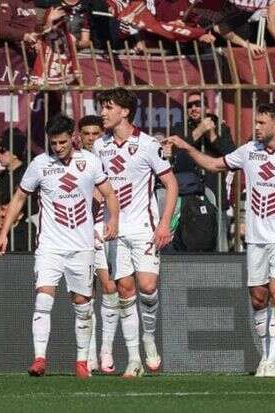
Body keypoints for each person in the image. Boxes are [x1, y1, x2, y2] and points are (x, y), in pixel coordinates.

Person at [166, 103, 275, 378]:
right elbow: (214, 164)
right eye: (256, 121)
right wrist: (187, 148)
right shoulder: (249, 151)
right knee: (258, 298)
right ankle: (264, 353)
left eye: (261, 122)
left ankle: (272, 361)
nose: (256, 126)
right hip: (257, 238)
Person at [0, 113, 119, 379]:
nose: (59, 147)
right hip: (50, 246)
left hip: (82, 246)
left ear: (72, 139)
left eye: (63, 142)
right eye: (54, 143)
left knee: (82, 304)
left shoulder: (90, 162)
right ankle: (39, 359)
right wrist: (3, 232)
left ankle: (82, 362)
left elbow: (109, 193)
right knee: (43, 298)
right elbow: (18, 198)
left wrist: (114, 220)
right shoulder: (40, 164)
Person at [93, 87, 179, 377]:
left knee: (147, 286)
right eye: (102, 107)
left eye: (108, 107)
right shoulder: (99, 146)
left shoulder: (147, 145)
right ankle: (133, 359)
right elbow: (96, 186)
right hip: (114, 228)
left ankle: (149, 337)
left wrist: (165, 224)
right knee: (124, 290)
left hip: (143, 226)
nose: (102, 112)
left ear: (125, 112)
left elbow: (172, 185)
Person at [78, 114, 120, 373]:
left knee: (109, 285)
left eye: (96, 134)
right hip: (79, 231)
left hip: (101, 226)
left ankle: (107, 350)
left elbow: (112, 192)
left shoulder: (107, 158)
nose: (92, 138)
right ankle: (89, 354)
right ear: (79, 136)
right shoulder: (73, 161)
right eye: (87, 134)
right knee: (85, 292)